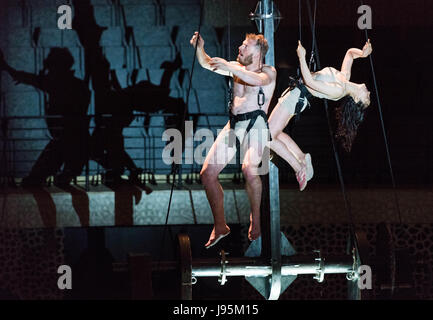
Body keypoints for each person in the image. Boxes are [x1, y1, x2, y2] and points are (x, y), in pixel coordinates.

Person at [190, 32, 276, 248]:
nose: (240, 47)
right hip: (235, 124)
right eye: (242, 44)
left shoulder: (267, 71)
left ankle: (255, 218)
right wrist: (200, 48)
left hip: (256, 123)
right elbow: (207, 64)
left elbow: (257, 80)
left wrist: (231, 68)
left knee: (249, 169)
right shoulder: (235, 68)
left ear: (258, 52)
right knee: (207, 174)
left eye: (245, 46)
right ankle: (220, 226)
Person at [268, 39, 373, 191]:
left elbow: (310, 81)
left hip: (297, 97)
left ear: (356, 99)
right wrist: (362, 53)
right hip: (295, 94)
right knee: (272, 133)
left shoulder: (338, 90)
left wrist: (301, 57)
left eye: (367, 97)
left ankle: (299, 166)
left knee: (267, 136)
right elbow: (350, 54)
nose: (368, 92)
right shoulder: (345, 78)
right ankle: (301, 157)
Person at [0, 48, 90, 187]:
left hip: (65, 140)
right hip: (76, 139)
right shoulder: (77, 85)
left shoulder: (58, 83)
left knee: (35, 180)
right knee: (56, 178)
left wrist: (6, 67)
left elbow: (30, 78)